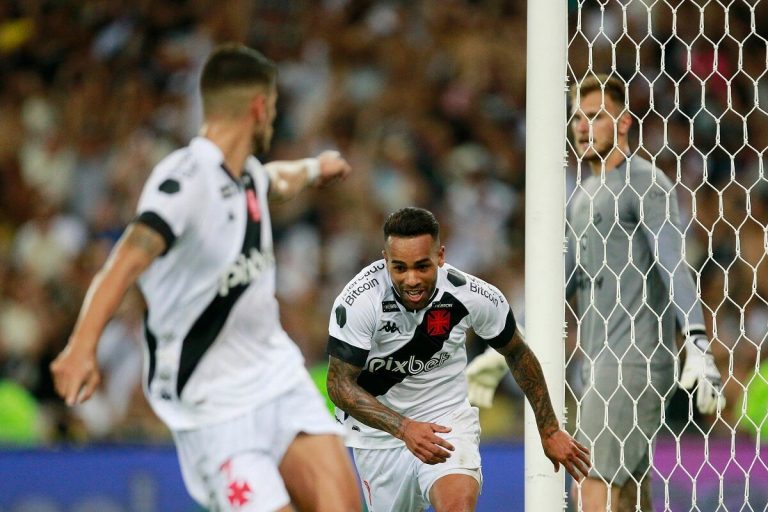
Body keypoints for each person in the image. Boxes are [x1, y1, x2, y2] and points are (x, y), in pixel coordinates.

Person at [50, 43, 361, 512]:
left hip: (277, 380)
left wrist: (316, 168)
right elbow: (125, 260)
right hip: (213, 411)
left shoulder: (247, 176)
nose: (272, 121)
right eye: (272, 109)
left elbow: (278, 179)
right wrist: (81, 345)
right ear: (259, 107)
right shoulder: (184, 179)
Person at [465, 73, 726, 512]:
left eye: (596, 116)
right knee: (625, 496)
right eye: (577, 118)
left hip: (633, 362)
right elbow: (558, 289)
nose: (583, 127)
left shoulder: (644, 181)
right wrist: (503, 349)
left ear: (623, 122)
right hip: (598, 366)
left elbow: (672, 262)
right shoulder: (583, 195)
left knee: (590, 490)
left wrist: (697, 341)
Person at [325, 206, 591, 512]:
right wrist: (404, 428)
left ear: (440, 256)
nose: (411, 279)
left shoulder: (472, 296)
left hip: (446, 419)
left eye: (422, 266)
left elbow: (516, 352)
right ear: (385, 261)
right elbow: (339, 385)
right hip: (379, 436)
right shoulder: (359, 301)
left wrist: (549, 429)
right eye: (399, 268)